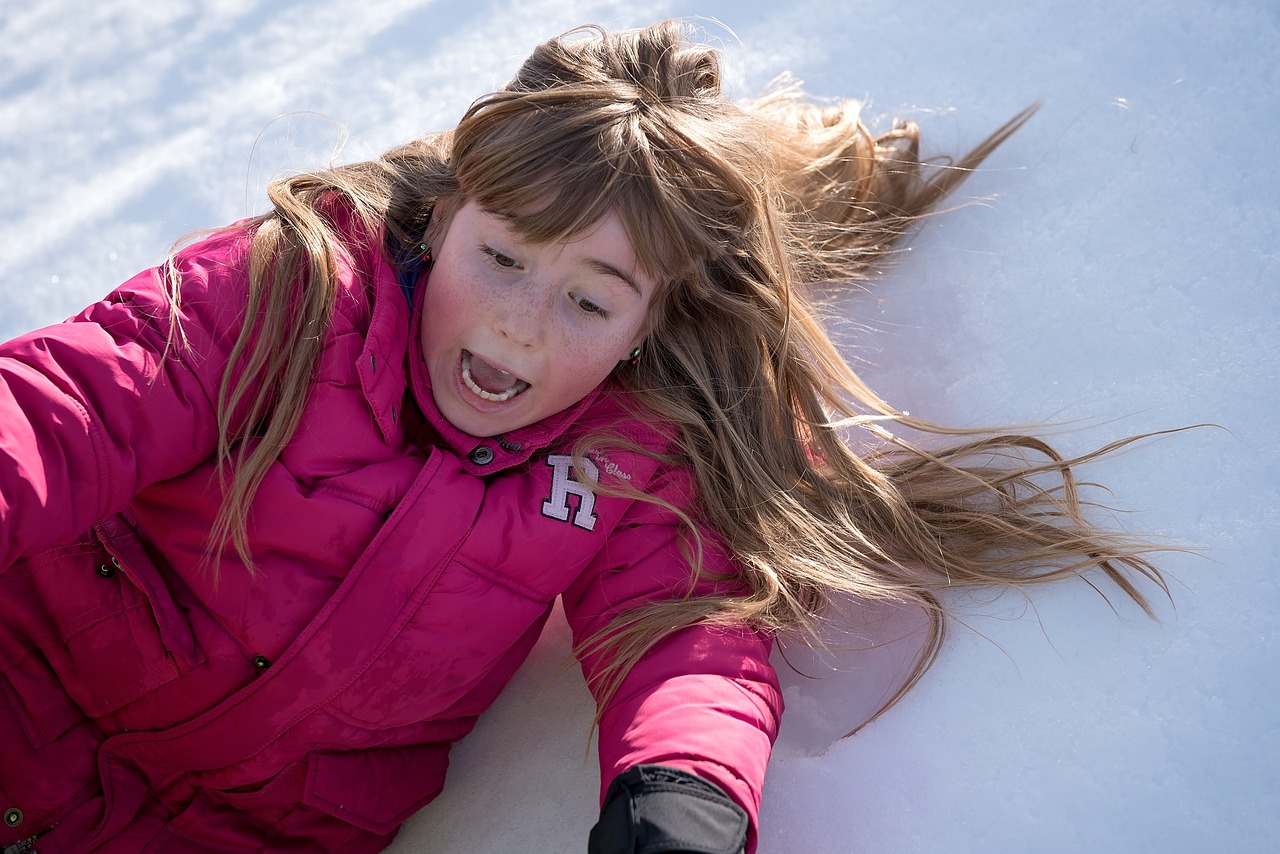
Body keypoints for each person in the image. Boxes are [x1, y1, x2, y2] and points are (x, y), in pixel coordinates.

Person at [0, 19, 1170, 854]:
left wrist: (684, 799)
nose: (519, 317)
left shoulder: (633, 452)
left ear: (653, 319)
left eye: (590, 298)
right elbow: (61, 409)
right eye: (500, 255)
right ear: (443, 208)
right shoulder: (291, 289)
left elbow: (689, 636)